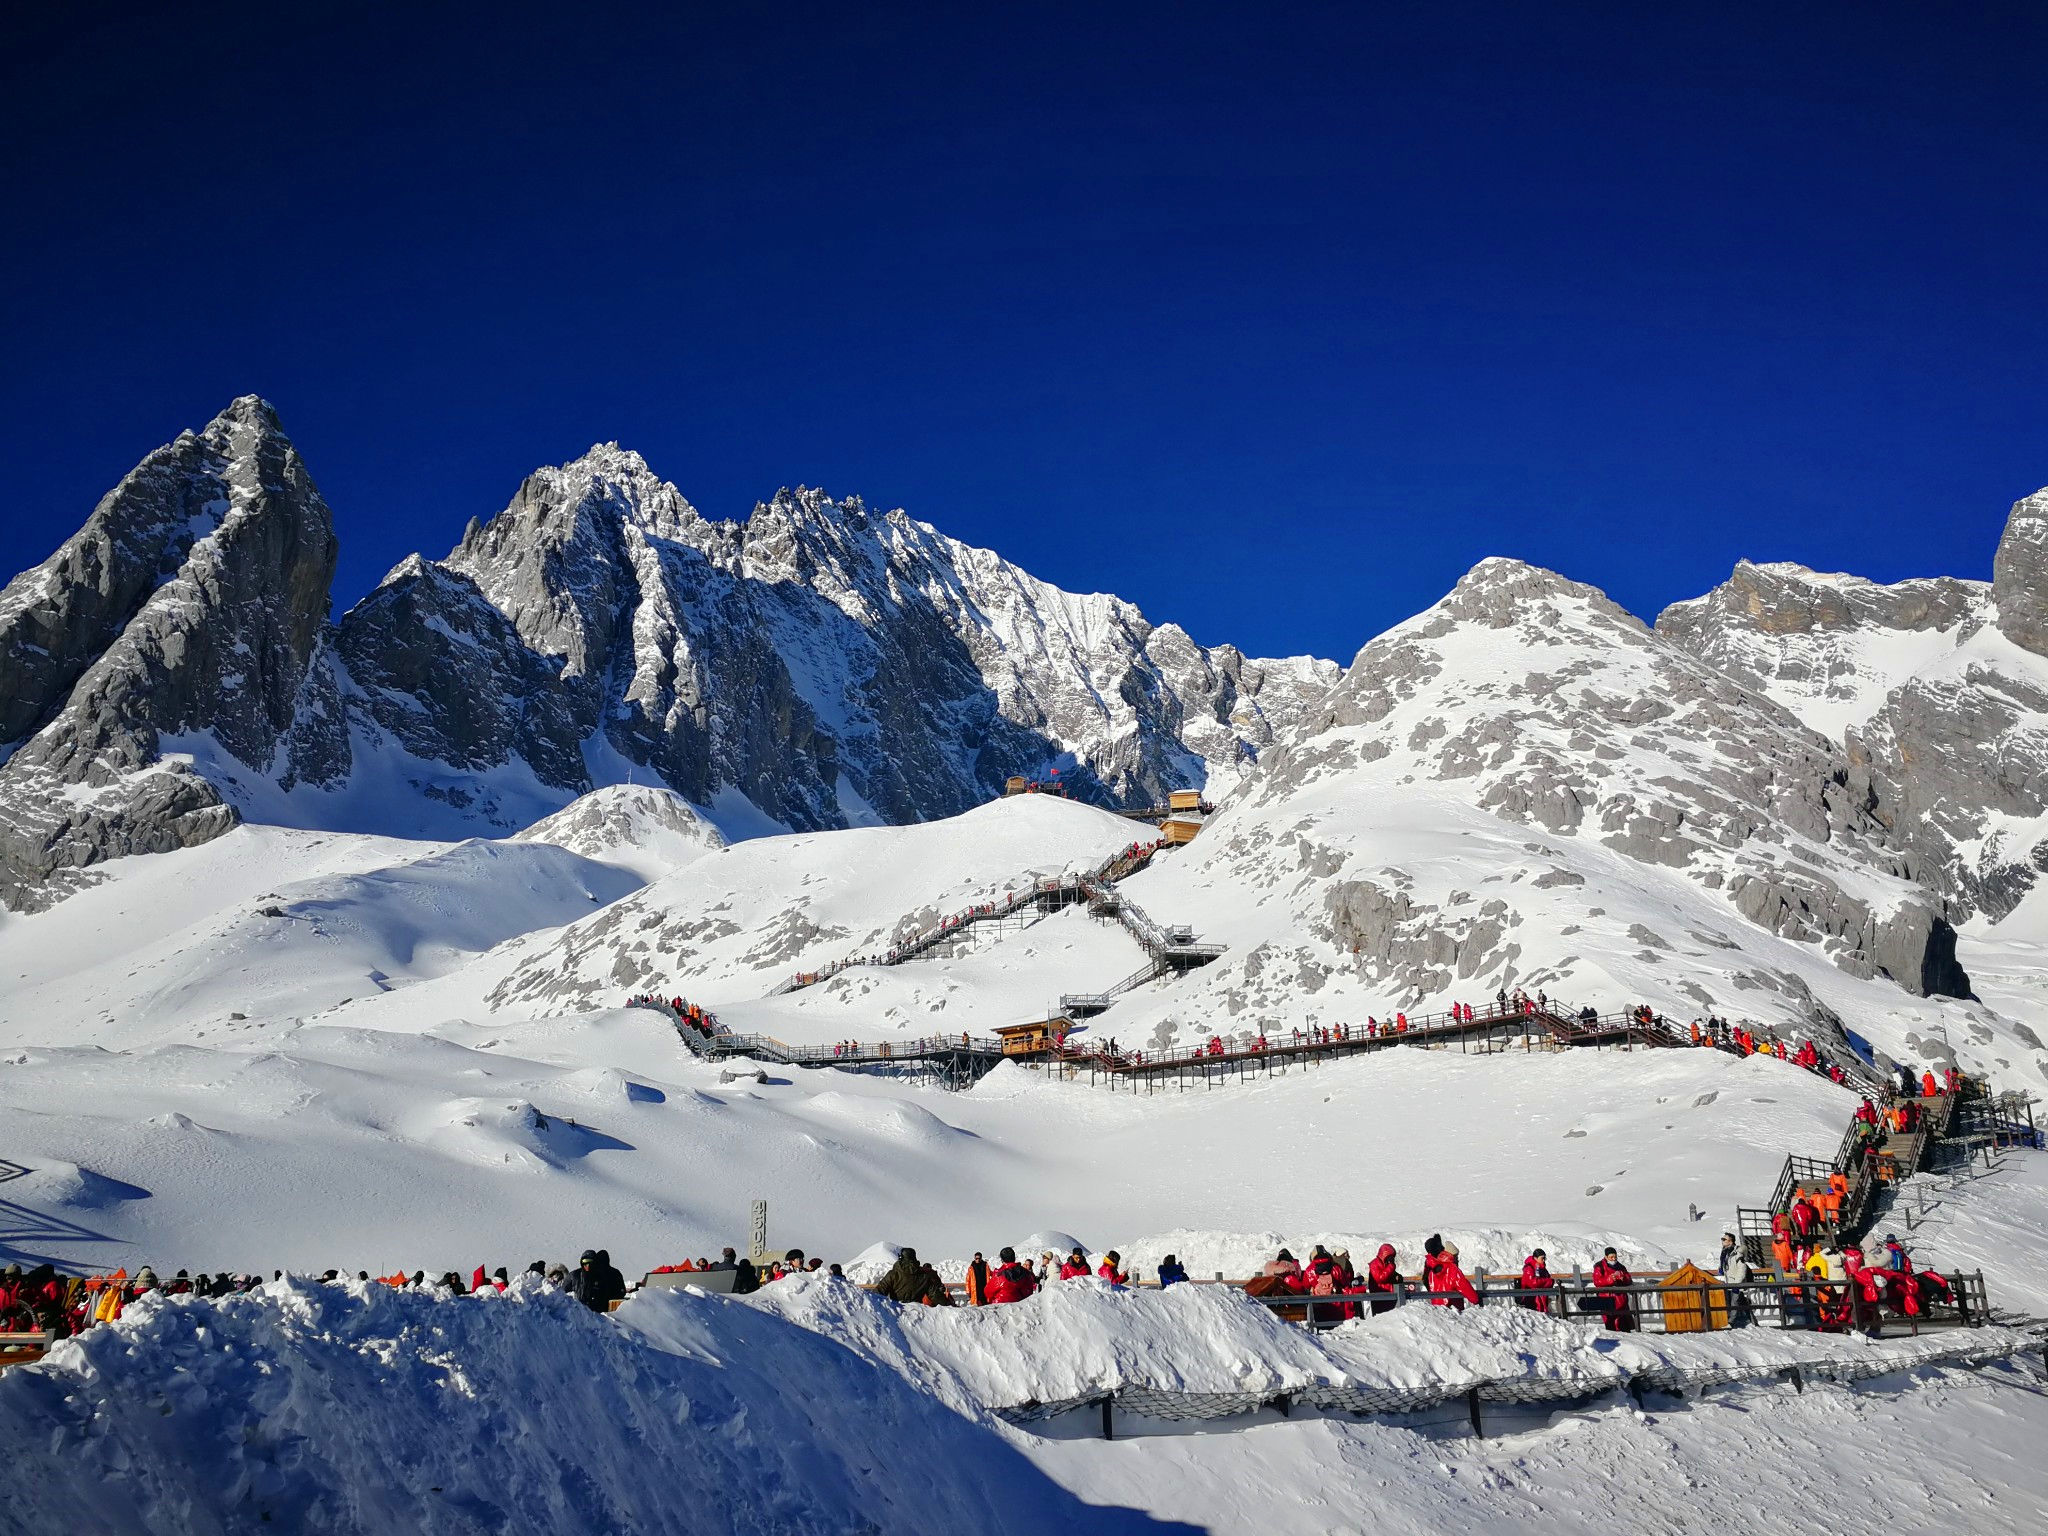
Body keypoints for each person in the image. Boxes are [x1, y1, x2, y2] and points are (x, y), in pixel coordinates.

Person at [1423, 1236, 1479, 1310]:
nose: (1458, 1260)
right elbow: (1464, 1286)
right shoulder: (1452, 1269)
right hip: (1452, 1307)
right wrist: (1476, 1300)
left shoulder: (1430, 1268)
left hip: (1437, 1309)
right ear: (1452, 1256)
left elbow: (1427, 1283)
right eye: (1456, 1257)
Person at [1590, 1248, 1633, 1331]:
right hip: (1606, 1299)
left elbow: (1629, 1279)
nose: (1614, 1259)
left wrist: (1623, 1278)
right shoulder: (1599, 1266)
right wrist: (1609, 1279)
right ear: (1606, 1257)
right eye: (1611, 1257)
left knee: (1623, 1325)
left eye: (1615, 1257)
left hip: (1621, 1299)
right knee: (1610, 1324)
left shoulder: (1621, 1266)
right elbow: (1597, 1281)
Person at [1366, 1244, 1401, 1314]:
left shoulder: (1387, 1265)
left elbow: (1391, 1275)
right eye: (1390, 1256)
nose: (1391, 1259)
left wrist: (1398, 1277)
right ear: (1385, 1255)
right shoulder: (1374, 1264)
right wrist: (1391, 1266)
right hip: (1379, 1297)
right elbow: (1380, 1278)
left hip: (1389, 1296)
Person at [1519, 1249, 1553, 1313]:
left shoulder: (1542, 1268)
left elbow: (1547, 1278)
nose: (1544, 1260)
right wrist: (1549, 1281)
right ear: (1535, 1258)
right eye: (1542, 1258)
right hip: (1532, 1300)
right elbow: (1533, 1283)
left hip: (1541, 1298)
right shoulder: (1529, 1268)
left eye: (1544, 1258)